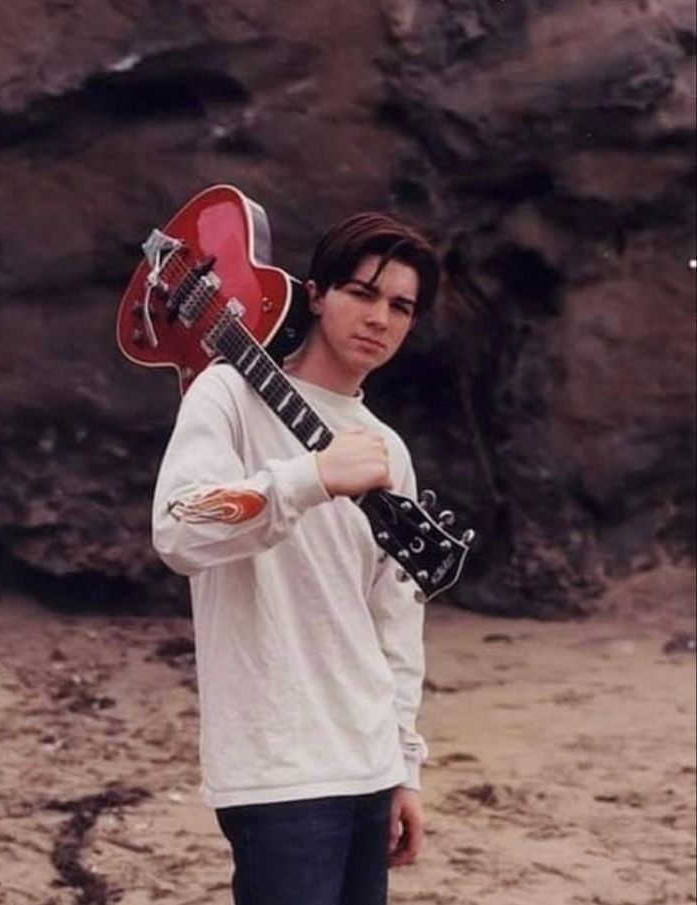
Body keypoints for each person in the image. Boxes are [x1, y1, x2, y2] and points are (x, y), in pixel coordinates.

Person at [152, 209, 441, 905]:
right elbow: (177, 528)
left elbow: (394, 624)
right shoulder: (227, 393)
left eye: (400, 306)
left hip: (367, 764)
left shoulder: (385, 448)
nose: (379, 318)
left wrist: (403, 767)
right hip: (277, 766)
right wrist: (310, 478)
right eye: (361, 292)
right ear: (315, 294)